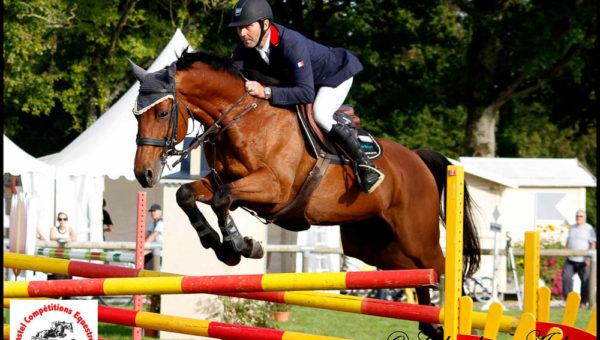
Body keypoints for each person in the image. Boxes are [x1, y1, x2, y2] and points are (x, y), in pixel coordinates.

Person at [228, 0, 384, 194]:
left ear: (265, 24)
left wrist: (266, 92)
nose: (242, 33)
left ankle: (366, 165)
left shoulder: (290, 42)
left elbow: (305, 93)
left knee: (320, 114)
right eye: (239, 28)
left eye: (247, 26)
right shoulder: (244, 48)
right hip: (305, 81)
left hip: (333, 75)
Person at [562, 210, 596, 307]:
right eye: (577, 216)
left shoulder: (589, 228)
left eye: (580, 216)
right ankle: (568, 301)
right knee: (566, 277)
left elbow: (593, 243)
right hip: (570, 259)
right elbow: (568, 241)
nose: (578, 218)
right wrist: (565, 252)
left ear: (584, 217)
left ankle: (583, 302)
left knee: (586, 280)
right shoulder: (572, 228)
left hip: (583, 260)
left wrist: (589, 258)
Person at [145, 204, 164, 270]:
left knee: (147, 268)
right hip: (154, 252)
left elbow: (153, 235)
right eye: (151, 211)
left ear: (160, 212)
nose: (152, 213)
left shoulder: (161, 222)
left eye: (154, 211)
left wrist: (143, 246)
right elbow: (147, 234)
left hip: (160, 254)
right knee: (143, 263)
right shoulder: (153, 222)